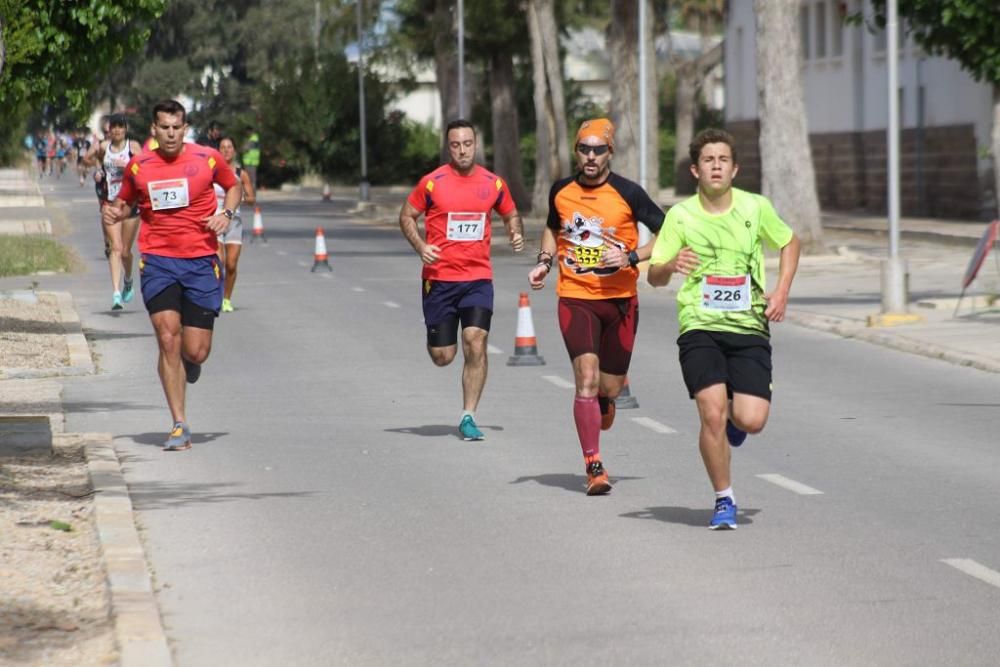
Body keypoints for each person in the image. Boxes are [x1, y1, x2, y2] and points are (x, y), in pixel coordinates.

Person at [647, 128, 801, 529]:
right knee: (711, 412)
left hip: (749, 324)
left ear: (735, 169)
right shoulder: (680, 217)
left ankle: (737, 422)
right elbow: (655, 278)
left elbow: (789, 242)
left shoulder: (755, 208)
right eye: (708, 160)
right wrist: (669, 265)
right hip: (699, 326)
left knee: (751, 420)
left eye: (723, 160)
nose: (716, 166)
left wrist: (781, 291)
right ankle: (724, 498)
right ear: (696, 170)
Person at [527, 118, 664, 496]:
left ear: (609, 152)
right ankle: (593, 464)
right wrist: (544, 260)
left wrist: (632, 256)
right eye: (583, 148)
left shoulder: (629, 193)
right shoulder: (562, 190)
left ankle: (607, 397)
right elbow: (553, 229)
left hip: (620, 301)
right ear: (576, 151)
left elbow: (671, 233)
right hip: (576, 296)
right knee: (585, 379)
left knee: (610, 386)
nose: (590, 156)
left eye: (598, 149)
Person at [103, 99, 241, 451]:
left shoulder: (207, 158)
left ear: (185, 128)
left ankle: (188, 363)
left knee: (196, 351)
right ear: (153, 129)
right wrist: (114, 214)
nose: (170, 133)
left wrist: (226, 213)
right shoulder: (139, 165)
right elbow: (124, 202)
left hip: (200, 262)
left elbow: (234, 186)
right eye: (163, 127)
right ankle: (179, 423)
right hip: (159, 262)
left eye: (176, 127)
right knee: (167, 338)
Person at [398, 119, 525, 441]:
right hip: (439, 280)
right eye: (455, 144)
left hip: (477, 278)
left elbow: (510, 213)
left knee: (476, 339)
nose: (462, 150)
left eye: (467, 143)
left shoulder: (493, 183)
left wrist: (515, 231)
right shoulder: (432, 183)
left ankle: (468, 415)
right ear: (448, 147)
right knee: (444, 357)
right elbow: (406, 215)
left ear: (476, 144)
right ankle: (437, 337)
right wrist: (421, 246)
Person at [86, 114, 143, 310]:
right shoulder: (103, 147)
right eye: (114, 127)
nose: (117, 130)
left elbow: (145, 168)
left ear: (125, 129)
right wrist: (97, 170)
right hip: (110, 203)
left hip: (130, 204)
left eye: (121, 127)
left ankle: (128, 280)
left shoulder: (133, 148)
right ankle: (116, 293)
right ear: (109, 130)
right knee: (115, 247)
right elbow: (87, 159)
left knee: (126, 251)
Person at [214, 136, 255, 312]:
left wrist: (241, 197)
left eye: (229, 147)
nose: (226, 150)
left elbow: (252, 198)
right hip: (215, 220)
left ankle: (226, 299)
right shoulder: (212, 171)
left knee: (231, 264)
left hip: (234, 222)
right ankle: (214, 295)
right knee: (219, 261)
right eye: (222, 147)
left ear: (235, 150)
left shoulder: (241, 174)